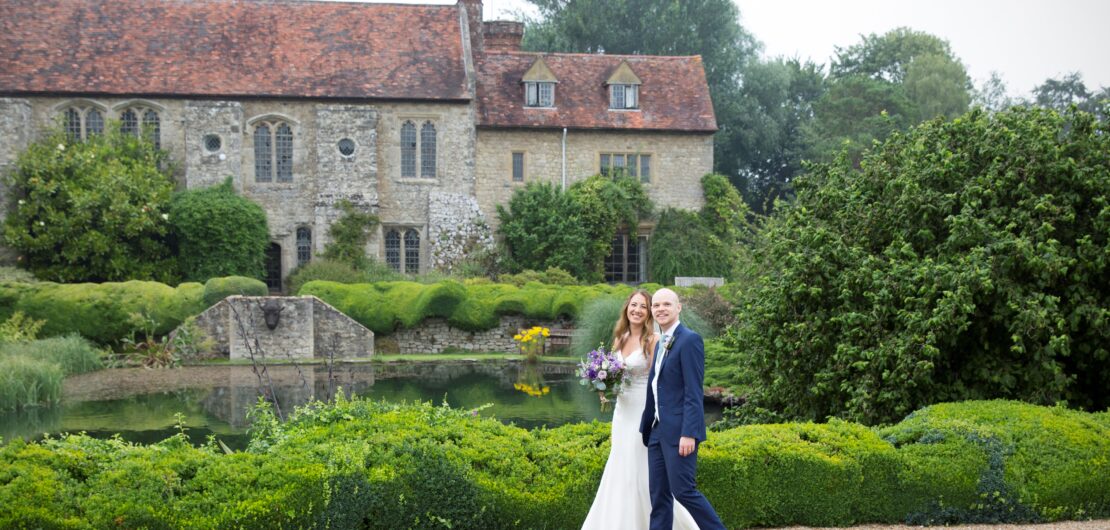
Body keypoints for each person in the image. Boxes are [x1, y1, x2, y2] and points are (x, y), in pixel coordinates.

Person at [581, 290, 699, 529]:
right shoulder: (620, 338)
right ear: (627, 308)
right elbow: (616, 374)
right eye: (633, 305)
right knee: (620, 466)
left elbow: (661, 378)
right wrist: (603, 385)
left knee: (642, 472)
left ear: (649, 313)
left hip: (643, 411)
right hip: (621, 412)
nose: (637, 310)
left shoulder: (654, 340)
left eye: (643, 306)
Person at [640, 288, 725, 530]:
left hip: (679, 432)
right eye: (656, 305)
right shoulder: (660, 343)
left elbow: (693, 391)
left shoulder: (689, 340)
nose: (661, 309)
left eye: (667, 304)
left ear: (679, 308)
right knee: (659, 496)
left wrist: (689, 432)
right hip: (657, 431)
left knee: (684, 491)